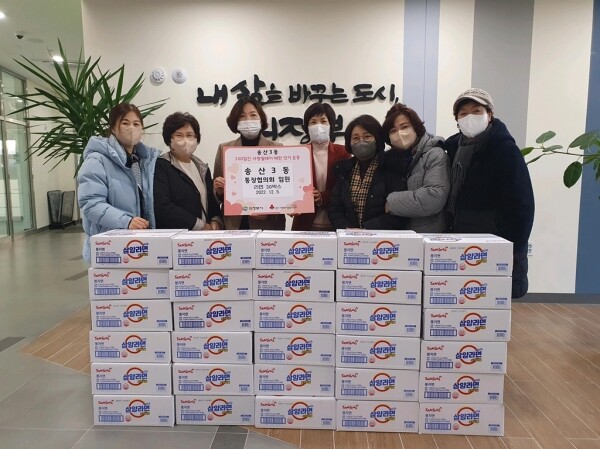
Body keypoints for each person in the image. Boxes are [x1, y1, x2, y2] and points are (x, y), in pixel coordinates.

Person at [445, 88, 535, 298]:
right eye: (463, 113)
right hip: (461, 243)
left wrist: (511, 249)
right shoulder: (453, 148)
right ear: (457, 120)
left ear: (489, 115)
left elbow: (522, 206)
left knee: (493, 303)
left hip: (494, 245)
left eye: (476, 111)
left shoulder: (504, 150)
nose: (470, 117)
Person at [77, 103, 159, 263]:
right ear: (113, 128)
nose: (132, 128)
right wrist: (126, 221)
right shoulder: (97, 160)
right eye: (125, 123)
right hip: (110, 247)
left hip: (141, 244)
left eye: (136, 124)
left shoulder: (145, 161)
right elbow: (91, 204)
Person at [212, 96, 285, 230]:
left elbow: (283, 189)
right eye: (242, 116)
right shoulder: (224, 149)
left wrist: (269, 210)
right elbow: (216, 192)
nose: (248, 120)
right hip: (235, 223)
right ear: (235, 121)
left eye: (253, 115)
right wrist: (219, 190)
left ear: (261, 119)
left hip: (268, 225)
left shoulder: (277, 148)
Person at [328, 114, 408, 230]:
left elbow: (399, 211)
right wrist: (347, 229)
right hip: (349, 236)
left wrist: (367, 229)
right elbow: (334, 208)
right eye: (355, 138)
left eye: (367, 137)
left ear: (377, 139)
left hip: (382, 238)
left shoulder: (391, 167)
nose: (361, 141)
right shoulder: (344, 170)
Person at [382, 103, 450, 232]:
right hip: (397, 235)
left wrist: (391, 202)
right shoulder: (389, 160)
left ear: (416, 127)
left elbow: (434, 197)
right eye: (393, 131)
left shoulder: (434, 154)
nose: (399, 133)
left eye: (404, 127)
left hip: (427, 235)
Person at [154, 112, 223, 230]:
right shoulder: (161, 166)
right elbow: (162, 206)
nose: (185, 140)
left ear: (197, 138)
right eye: (179, 135)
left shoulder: (202, 168)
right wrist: (200, 226)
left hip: (206, 236)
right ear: (169, 139)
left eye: (190, 135)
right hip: (176, 236)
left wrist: (216, 221)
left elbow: (211, 202)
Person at [291, 103, 350, 231]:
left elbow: (347, 188)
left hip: (335, 223)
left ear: (331, 125)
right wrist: (289, 205)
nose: (318, 126)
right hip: (305, 224)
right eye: (313, 122)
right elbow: (290, 185)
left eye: (323, 121)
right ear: (307, 128)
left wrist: (323, 197)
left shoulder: (343, 152)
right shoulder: (298, 154)